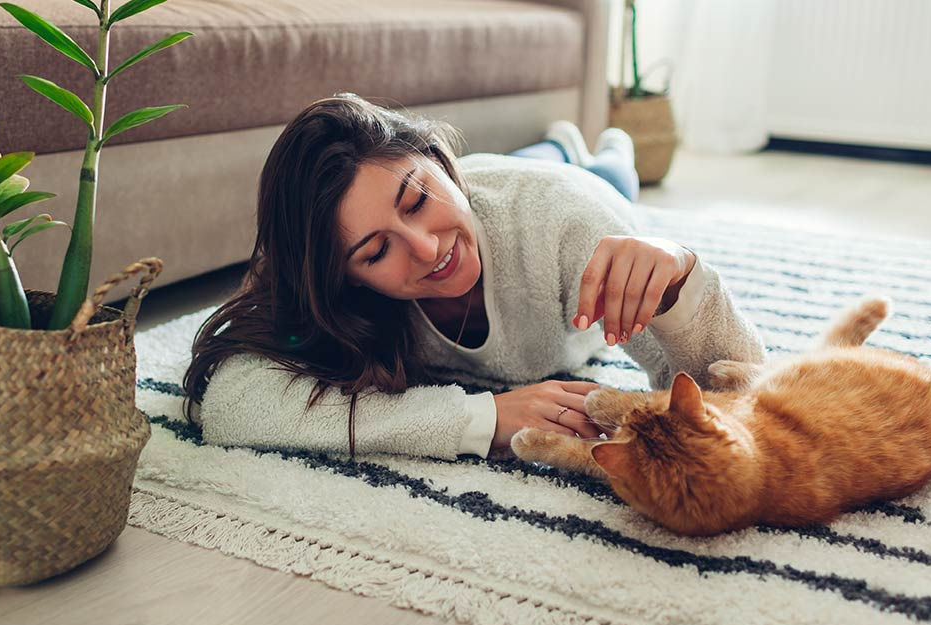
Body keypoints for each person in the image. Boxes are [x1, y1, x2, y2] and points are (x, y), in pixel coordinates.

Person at [182, 93, 765, 460]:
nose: (426, 248)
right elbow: (233, 402)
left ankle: (602, 150)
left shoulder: (571, 226)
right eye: (377, 251)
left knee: (611, 174)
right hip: (490, 188)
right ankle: (554, 146)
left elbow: (738, 392)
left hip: (577, 192)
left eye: (417, 200)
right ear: (345, 278)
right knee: (523, 173)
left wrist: (682, 281)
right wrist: (481, 418)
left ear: (438, 159)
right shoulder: (326, 276)